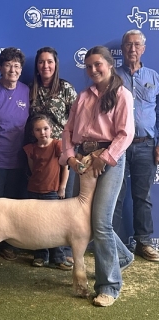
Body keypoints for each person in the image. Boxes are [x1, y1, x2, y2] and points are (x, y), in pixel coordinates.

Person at [60, 46, 135, 307]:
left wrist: (105, 158)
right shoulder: (83, 96)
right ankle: (122, 257)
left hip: (109, 160)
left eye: (97, 64)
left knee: (100, 222)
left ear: (109, 64)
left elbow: (125, 133)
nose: (93, 70)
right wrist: (69, 156)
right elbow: (68, 130)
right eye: (89, 66)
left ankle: (109, 286)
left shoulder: (122, 94)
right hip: (82, 160)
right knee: (85, 221)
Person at [28, 46, 78, 268]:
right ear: (36, 66)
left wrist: (71, 149)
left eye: (49, 61)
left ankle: (62, 252)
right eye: (41, 62)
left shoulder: (66, 88)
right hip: (39, 153)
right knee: (38, 208)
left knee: (62, 206)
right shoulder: (30, 90)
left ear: (55, 64)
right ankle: (40, 251)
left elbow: (78, 119)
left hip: (63, 153)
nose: (45, 66)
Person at [113, 30, 159, 262]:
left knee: (142, 196)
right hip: (118, 146)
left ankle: (144, 242)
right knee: (115, 196)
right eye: (128, 44)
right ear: (122, 48)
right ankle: (111, 244)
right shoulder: (112, 77)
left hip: (145, 145)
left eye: (136, 45)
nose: (132, 48)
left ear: (143, 48)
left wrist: (158, 143)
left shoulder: (154, 77)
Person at [0, 47, 29, 261]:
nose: (13, 69)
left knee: (12, 206)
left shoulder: (26, 91)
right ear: (0, 68)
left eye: (17, 66)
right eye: (8, 65)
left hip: (17, 158)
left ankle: (7, 245)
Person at [23, 114, 71, 270]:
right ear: (33, 132)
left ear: (51, 129)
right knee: (36, 225)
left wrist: (62, 187)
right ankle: (40, 256)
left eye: (45, 128)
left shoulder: (58, 145)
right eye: (38, 130)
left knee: (54, 226)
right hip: (34, 191)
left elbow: (66, 167)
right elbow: (32, 168)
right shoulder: (31, 149)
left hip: (52, 192)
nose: (42, 132)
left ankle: (58, 258)